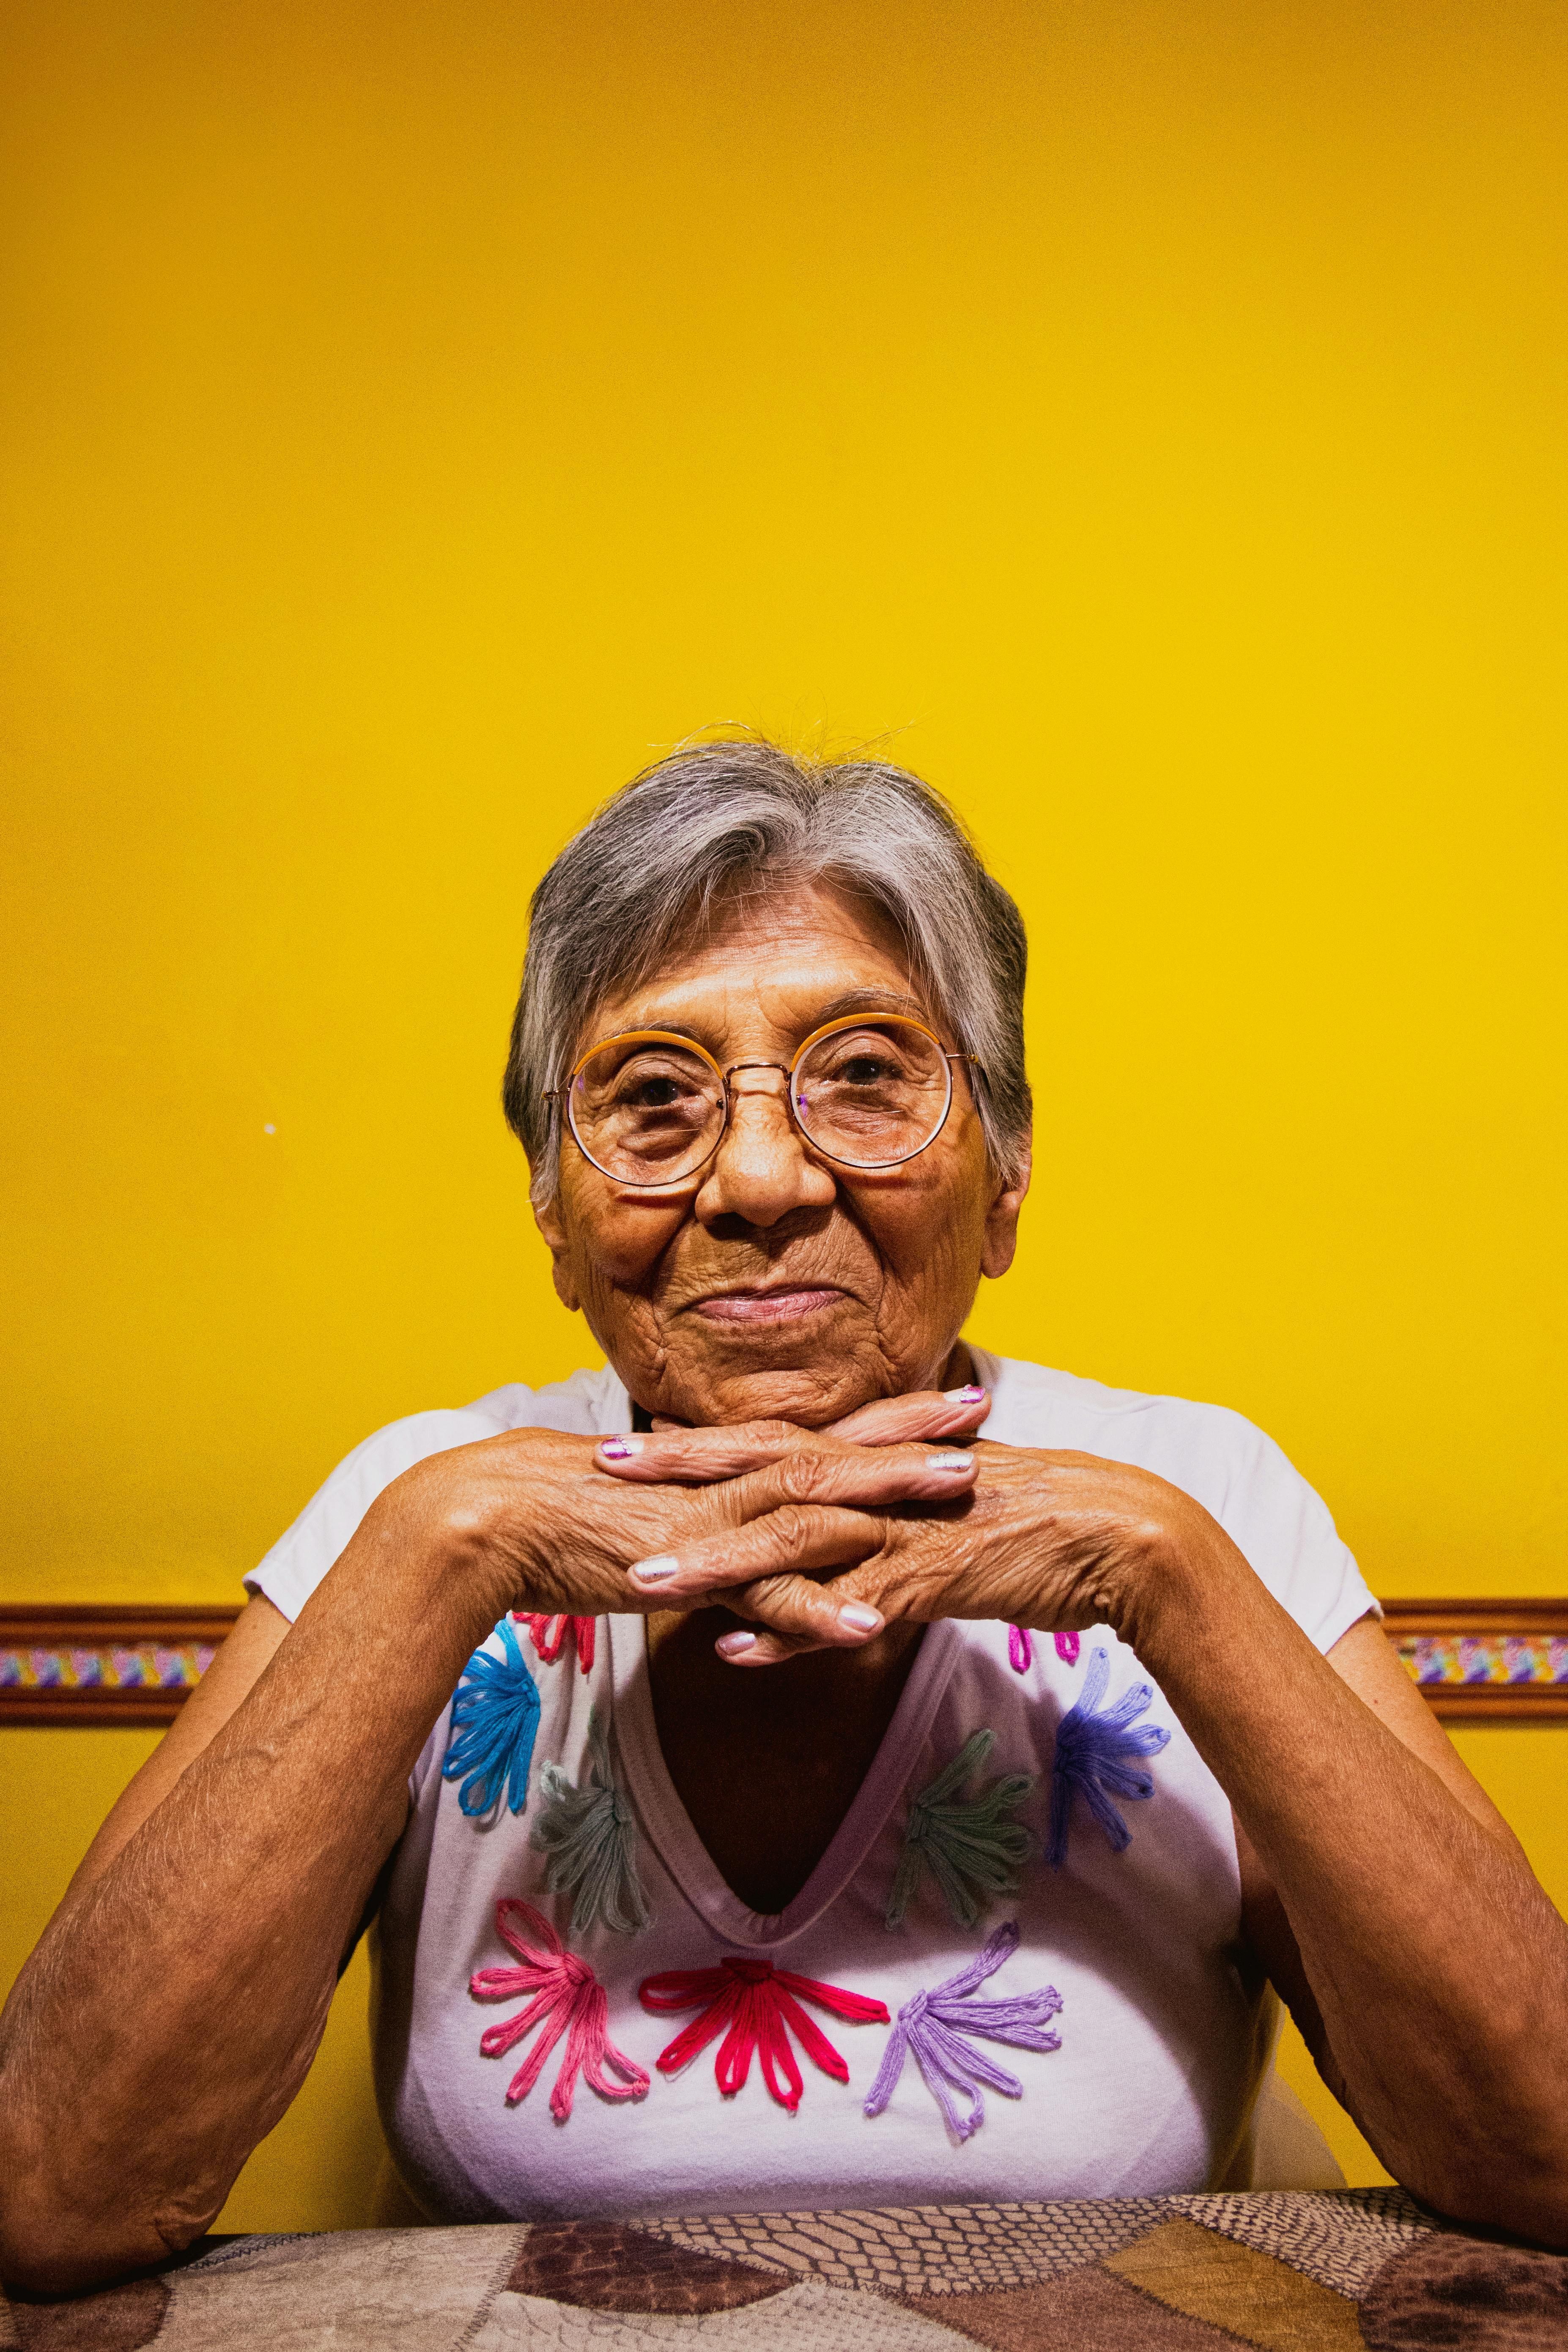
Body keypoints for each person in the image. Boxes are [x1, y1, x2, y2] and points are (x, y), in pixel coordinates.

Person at [3, 738, 1566, 2296]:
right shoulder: (416, 1498)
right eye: (654, 1097)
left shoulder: (1197, 1492)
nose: (758, 1177)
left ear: (1004, 1179)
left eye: (869, 1075)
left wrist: (1162, 1578)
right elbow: (54, 2189)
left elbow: (1541, 2150)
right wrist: (437, 1558)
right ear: (554, 1216)